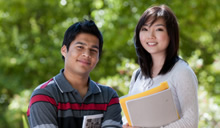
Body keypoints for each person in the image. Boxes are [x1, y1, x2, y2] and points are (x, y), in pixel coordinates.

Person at [27, 20, 122, 128]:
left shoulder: (108, 96)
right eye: (80, 47)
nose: (86, 54)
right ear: (64, 50)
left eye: (93, 50)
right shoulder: (44, 95)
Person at [123, 5, 198, 128]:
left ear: (171, 34)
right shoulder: (138, 74)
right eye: (145, 29)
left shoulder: (181, 72)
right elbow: (130, 115)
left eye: (159, 29)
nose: (150, 35)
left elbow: (190, 122)